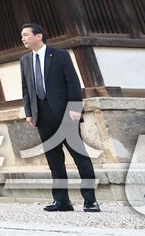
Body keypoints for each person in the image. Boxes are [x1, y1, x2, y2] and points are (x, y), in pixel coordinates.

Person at [20, 22, 99, 212]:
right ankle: (62, 201)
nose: (23, 38)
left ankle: (90, 201)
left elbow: (73, 82)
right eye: (22, 36)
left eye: (26, 35)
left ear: (39, 36)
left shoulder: (60, 55)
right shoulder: (25, 60)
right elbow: (26, 89)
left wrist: (75, 107)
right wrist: (29, 112)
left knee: (80, 157)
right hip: (41, 115)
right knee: (54, 160)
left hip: (65, 113)